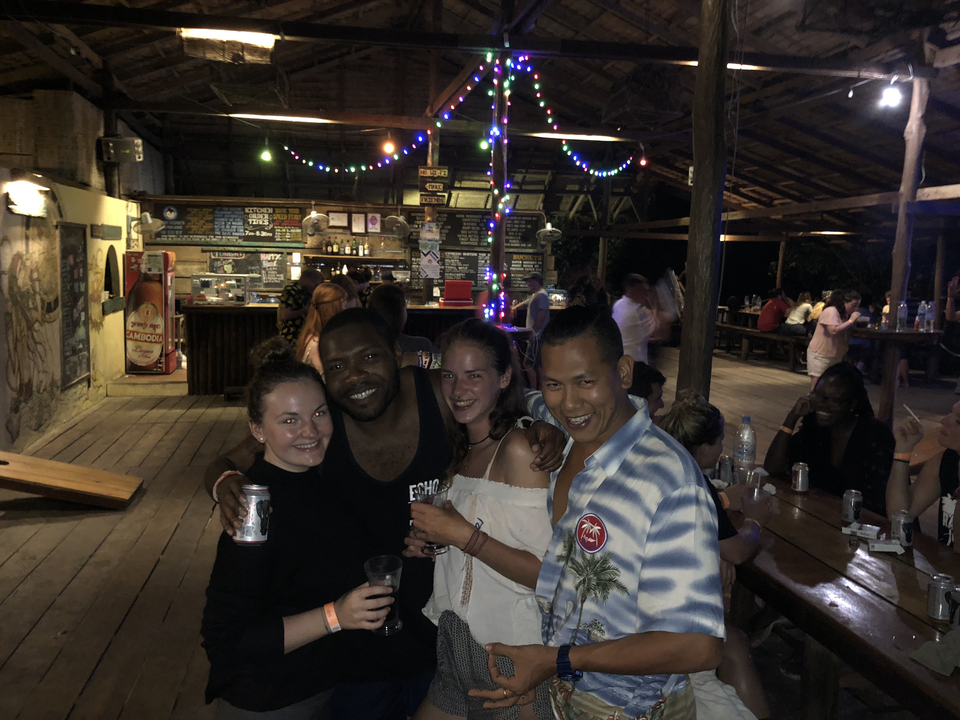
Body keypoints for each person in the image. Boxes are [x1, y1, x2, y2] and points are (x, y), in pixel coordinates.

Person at [204, 309, 567, 720]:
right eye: (337, 366)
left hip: (443, 640)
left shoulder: (436, 394)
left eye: (370, 357)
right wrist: (224, 482)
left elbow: (491, 393)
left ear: (397, 354)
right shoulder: (320, 422)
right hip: (351, 653)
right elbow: (234, 457)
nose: (356, 376)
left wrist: (542, 424)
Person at [469, 305, 725, 720]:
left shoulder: (668, 481)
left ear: (623, 372)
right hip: (562, 692)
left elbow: (699, 645)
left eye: (585, 381)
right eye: (554, 384)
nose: (569, 404)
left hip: (633, 707)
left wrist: (559, 660)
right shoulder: (564, 434)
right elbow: (520, 399)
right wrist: (532, 422)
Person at [201, 338, 394, 718]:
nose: (310, 431)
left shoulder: (316, 477)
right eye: (289, 420)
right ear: (257, 430)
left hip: (322, 686)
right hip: (271, 699)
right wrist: (335, 615)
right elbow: (226, 640)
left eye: (319, 414)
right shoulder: (253, 509)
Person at [405, 319, 554, 720]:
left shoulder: (522, 449)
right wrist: (433, 542)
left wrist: (461, 534)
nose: (457, 390)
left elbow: (549, 575)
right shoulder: (462, 448)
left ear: (505, 377)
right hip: (456, 645)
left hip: (511, 654)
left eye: (474, 375)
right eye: (450, 375)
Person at [659, 392, 773, 720]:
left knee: (733, 637)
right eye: (721, 442)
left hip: (663, 603)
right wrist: (754, 520)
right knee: (734, 642)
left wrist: (722, 502)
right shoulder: (695, 484)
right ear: (706, 447)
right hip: (670, 618)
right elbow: (738, 551)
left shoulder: (670, 467)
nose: (723, 449)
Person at [764, 362, 894, 516]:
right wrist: (792, 417)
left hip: (866, 525)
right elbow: (773, 467)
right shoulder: (814, 429)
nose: (823, 405)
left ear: (852, 404)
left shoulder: (874, 435)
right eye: (818, 396)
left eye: (834, 400)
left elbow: (880, 501)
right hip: (819, 516)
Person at [886, 400, 960, 550]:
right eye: (951, 413)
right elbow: (899, 513)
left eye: (958, 421)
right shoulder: (946, 460)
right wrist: (903, 450)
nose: (943, 420)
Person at [806, 289, 861, 390]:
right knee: (817, 387)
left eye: (858, 306)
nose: (856, 309)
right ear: (844, 302)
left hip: (835, 355)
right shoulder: (831, 311)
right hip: (820, 355)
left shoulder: (843, 314)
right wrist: (851, 321)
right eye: (853, 305)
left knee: (832, 387)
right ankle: (813, 405)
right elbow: (833, 330)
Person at [368, 283, 438, 355]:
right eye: (405, 308)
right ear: (400, 312)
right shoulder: (422, 346)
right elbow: (443, 363)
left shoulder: (363, 345)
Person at [295, 283, 348, 372]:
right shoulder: (317, 346)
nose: (345, 311)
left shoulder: (315, 337)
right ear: (333, 310)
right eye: (344, 306)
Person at [611, 273, 659, 365]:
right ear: (632, 290)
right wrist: (654, 305)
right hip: (635, 365)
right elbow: (657, 327)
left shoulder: (618, 304)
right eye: (643, 291)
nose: (646, 295)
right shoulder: (638, 312)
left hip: (618, 360)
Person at [278, 268, 323, 343]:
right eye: (315, 284)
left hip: (305, 334)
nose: (316, 287)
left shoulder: (307, 291)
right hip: (292, 335)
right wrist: (305, 310)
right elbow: (284, 315)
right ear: (307, 279)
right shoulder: (291, 290)